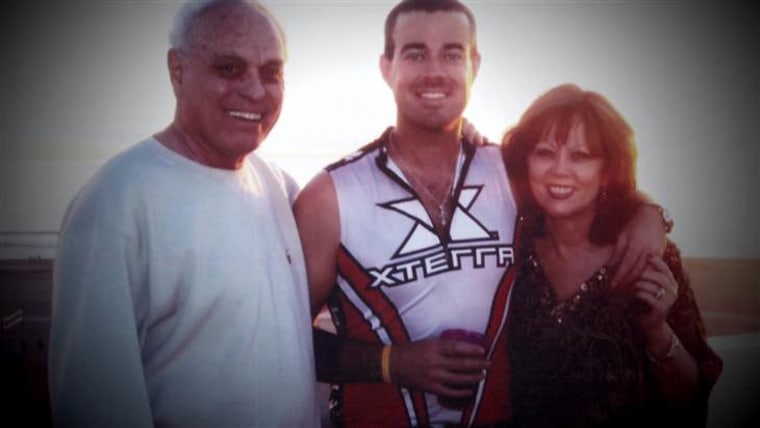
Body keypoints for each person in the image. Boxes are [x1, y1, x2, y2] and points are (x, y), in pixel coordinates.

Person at [294, 1, 670, 426]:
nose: (435, 70)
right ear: (386, 67)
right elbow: (284, 343)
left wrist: (647, 213)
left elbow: (588, 186)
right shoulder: (329, 196)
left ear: (474, 65)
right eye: (415, 53)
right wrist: (391, 362)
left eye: (452, 54)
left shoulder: (508, 172)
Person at [48, 1, 319, 426]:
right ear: (177, 71)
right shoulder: (115, 203)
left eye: (271, 73)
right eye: (229, 68)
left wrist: (460, 148)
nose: (254, 90)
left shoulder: (279, 189)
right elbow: (94, 401)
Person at [502, 83, 723, 426]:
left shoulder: (648, 256)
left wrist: (656, 329)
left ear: (607, 170)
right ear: (525, 162)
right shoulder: (509, 251)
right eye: (544, 152)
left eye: (581, 156)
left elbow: (692, 400)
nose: (560, 170)